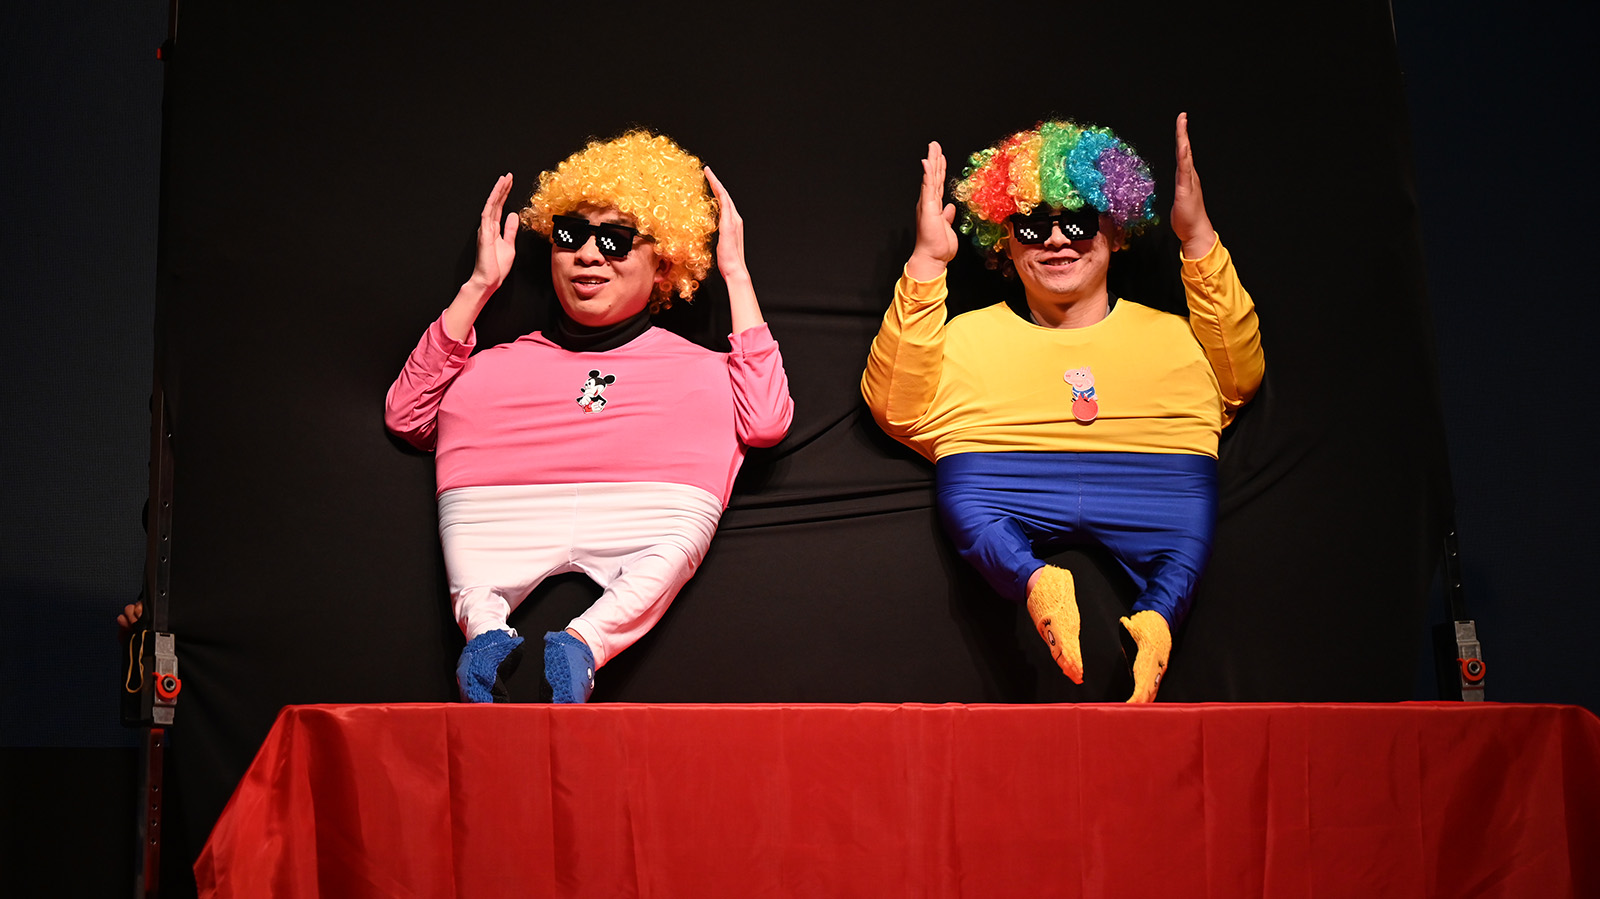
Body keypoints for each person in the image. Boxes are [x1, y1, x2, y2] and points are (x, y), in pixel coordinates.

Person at [861, 114, 1263, 702]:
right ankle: (1037, 583)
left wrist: (1197, 236)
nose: (1055, 241)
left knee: (1184, 544)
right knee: (971, 511)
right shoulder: (963, 339)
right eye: (1031, 226)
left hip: (1158, 479)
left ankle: (1158, 619)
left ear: (1115, 230)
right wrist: (927, 262)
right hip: (1001, 476)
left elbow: (1242, 372)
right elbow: (894, 405)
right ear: (1004, 240)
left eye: (1078, 221)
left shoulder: (1177, 339)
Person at [386, 131, 793, 703]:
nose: (588, 254)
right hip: (498, 506)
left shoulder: (708, 372)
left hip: (653, 507)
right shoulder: (488, 369)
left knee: (662, 558)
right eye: (570, 235)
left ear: (665, 263)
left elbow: (767, 422)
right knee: (476, 577)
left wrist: (737, 276)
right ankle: (484, 635)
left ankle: (582, 645)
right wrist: (479, 286)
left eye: (615, 240)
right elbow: (406, 416)